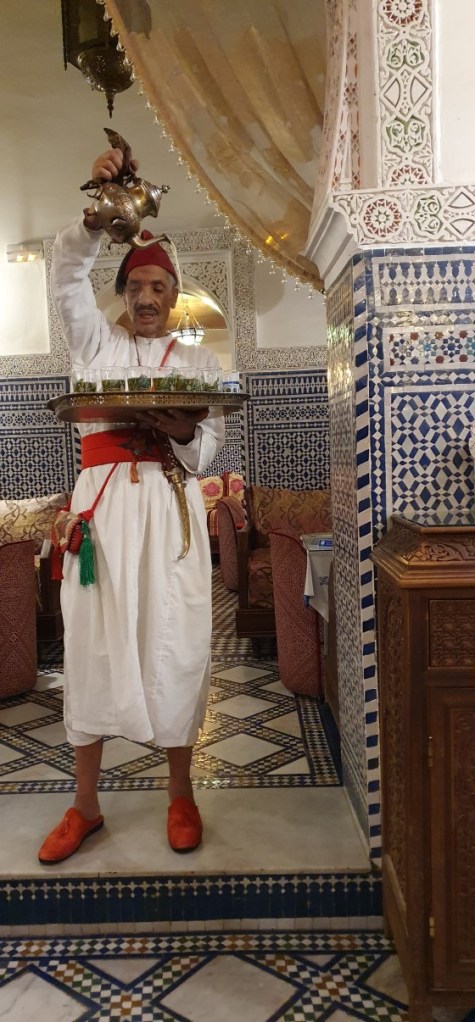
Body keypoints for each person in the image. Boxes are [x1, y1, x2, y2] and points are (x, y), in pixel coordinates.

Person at [38, 147, 225, 864]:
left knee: (177, 644)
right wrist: (98, 217)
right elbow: (64, 274)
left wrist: (180, 431)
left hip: (172, 519)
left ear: (174, 297)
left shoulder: (200, 364)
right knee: (91, 649)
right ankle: (85, 806)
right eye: (136, 286)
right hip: (103, 523)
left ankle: (181, 794)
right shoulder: (95, 346)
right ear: (120, 292)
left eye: (159, 287)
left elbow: (209, 450)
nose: (147, 298)